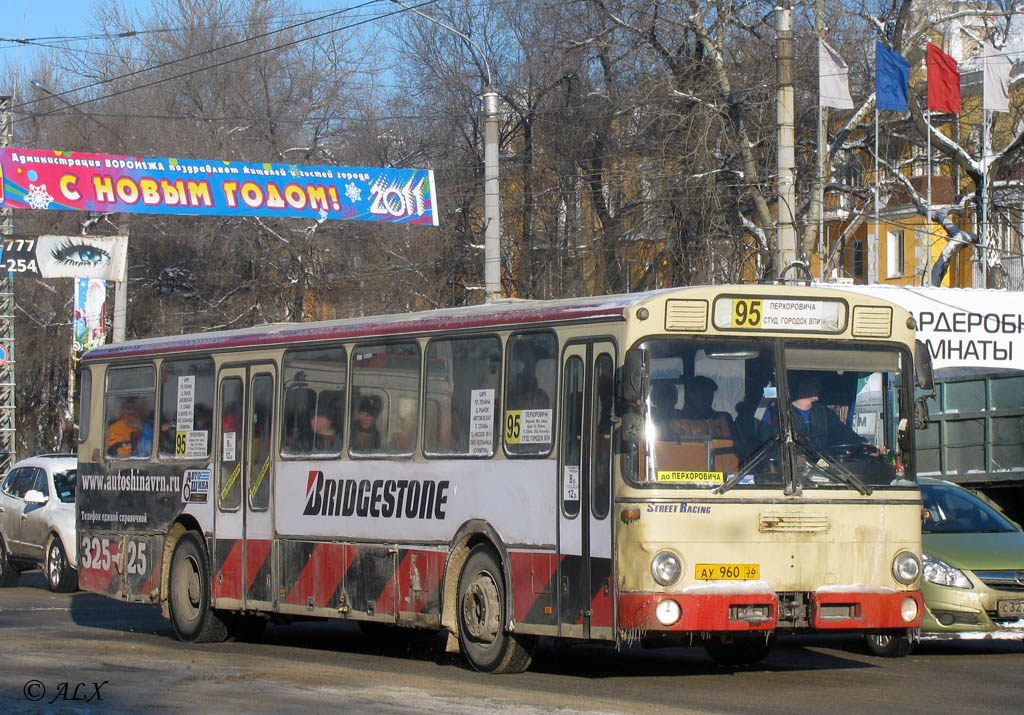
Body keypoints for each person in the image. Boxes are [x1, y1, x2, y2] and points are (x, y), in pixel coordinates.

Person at [759, 374, 866, 451]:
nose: (819, 386)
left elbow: (844, 434)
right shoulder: (776, 414)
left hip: (825, 474)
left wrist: (864, 444)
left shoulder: (825, 413)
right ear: (801, 385)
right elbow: (767, 447)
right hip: (790, 473)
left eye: (819, 383)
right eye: (814, 382)